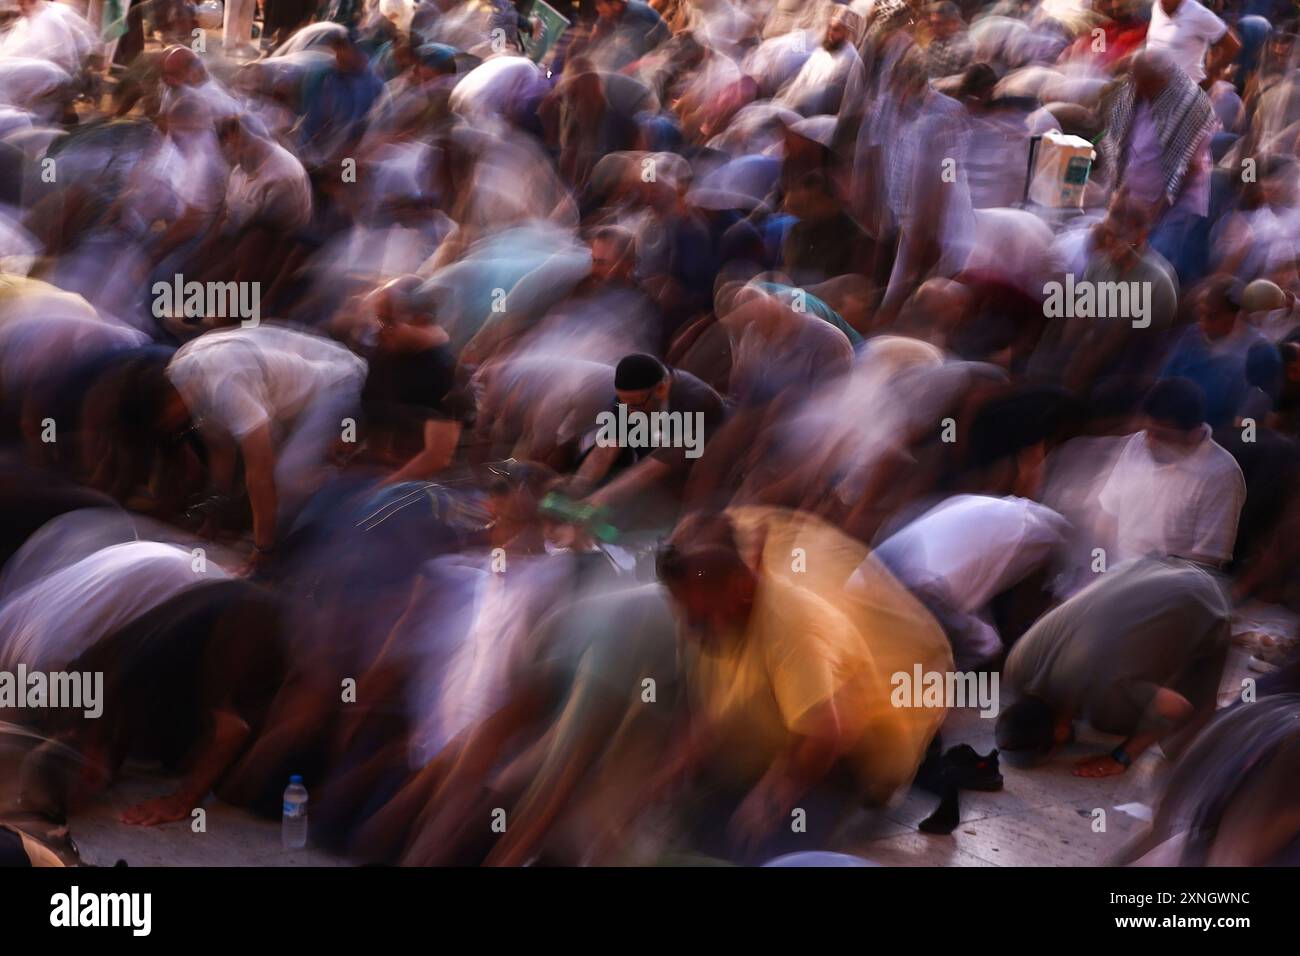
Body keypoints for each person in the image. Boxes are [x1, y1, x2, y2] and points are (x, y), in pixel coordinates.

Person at [150, 325, 368, 568]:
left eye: (166, 419)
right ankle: (281, 530)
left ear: (170, 399)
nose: (170, 426)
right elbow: (222, 453)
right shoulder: (181, 375)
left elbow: (260, 471)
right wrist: (212, 522)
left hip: (335, 380)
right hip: (291, 382)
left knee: (288, 477)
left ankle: (336, 519)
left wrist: (262, 549)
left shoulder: (224, 385)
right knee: (274, 473)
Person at [997, 556, 1231, 777]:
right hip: (1143, 568)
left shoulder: (1106, 697)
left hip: (1204, 598)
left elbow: (1176, 707)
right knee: (1130, 689)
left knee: (1179, 746)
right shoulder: (1017, 665)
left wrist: (1121, 757)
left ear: (1059, 733)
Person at [1097, 377, 1246, 568]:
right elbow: (1108, 513)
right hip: (1116, 573)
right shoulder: (1138, 443)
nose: (1150, 442)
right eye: (1148, 431)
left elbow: (1206, 561)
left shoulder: (1222, 474)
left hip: (1168, 587)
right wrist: (1101, 568)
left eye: (1161, 436)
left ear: (1193, 435)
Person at [574, 353, 724, 510]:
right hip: (660, 451)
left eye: (635, 405)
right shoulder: (634, 396)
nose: (630, 413)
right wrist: (575, 488)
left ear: (661, 389)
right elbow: (607, 448)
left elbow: (652, 469)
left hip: (707, 471)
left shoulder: (697, 402)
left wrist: (594, 503)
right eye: (624, 404)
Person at [1145, 0, 1241, 87]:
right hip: (1153, 88)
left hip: (1184, 93)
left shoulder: (1199, 14)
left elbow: (1232, 46)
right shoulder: (1157, 7)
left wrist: (1210, 77)